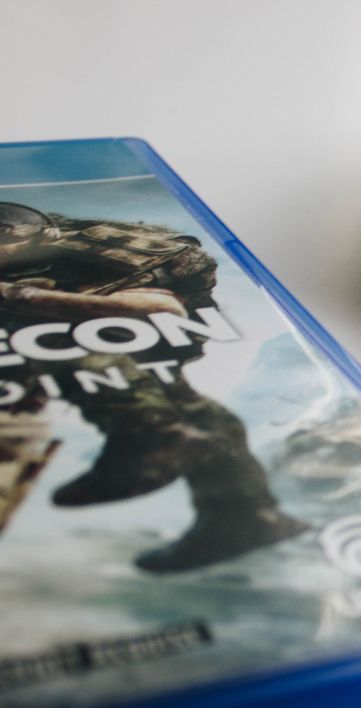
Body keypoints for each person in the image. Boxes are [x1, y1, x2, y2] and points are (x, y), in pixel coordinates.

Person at [0, 202, 306, 572]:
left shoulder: (84, 257)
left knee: (58, 340)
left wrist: (19, 297)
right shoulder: (35, 240)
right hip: (131, 310)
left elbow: (157, 310)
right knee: (174, 396)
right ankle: (245, 518)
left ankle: (151, 436)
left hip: (141, 309)